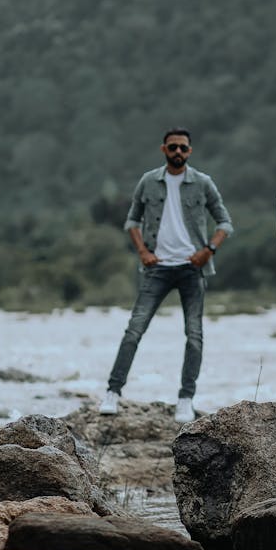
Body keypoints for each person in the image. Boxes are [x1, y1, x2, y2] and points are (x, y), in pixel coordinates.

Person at [100, 127, 233, 422]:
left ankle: (186, 398)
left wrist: (209, 249)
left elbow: (225, 222)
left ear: (190, 151)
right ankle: (112, 392)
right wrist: (143, 252)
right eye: (172, 147)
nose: (178, 152)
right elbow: (132, 221)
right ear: (163, 149)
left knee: (194, 335)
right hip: (156, 268)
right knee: (134, 329)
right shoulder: (149, 182)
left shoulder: (202, 183)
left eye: (183, 148)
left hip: (192, 268)